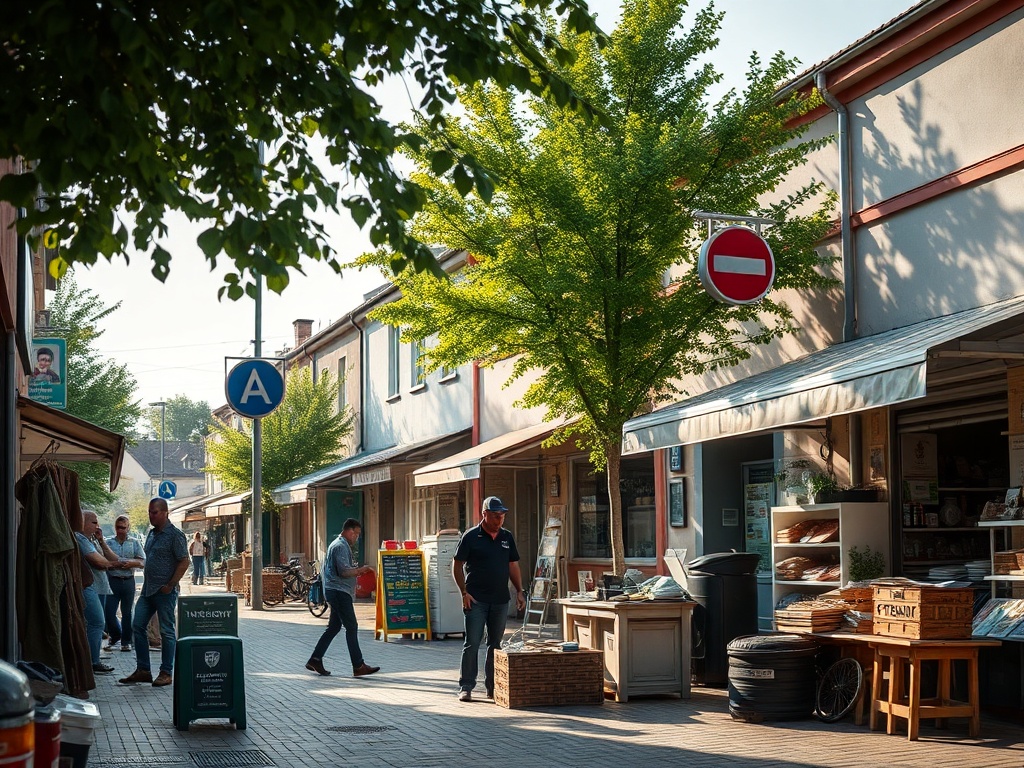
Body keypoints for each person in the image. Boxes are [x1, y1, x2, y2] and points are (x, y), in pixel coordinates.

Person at [452, 496, 526, 702]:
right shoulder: (471, 537)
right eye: (495, 516)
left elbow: (513, 565)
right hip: (475, 600)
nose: (499, 520)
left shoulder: (506, 537)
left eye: (502, 516)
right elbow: (457, 565)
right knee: (472, 643)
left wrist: (520, 590)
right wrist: (463, 592)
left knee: (495, 644)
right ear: (484, 514)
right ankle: (466, 686)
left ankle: (492, 688)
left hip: (500, 600)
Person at [119, 498, 188, 687]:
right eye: (150, 512)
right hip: (148, 591)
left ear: (165, 512)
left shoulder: (175, 535)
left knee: (166, 631)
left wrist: (171, 584)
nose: (151, 516)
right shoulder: (151, 534)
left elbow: (184, 561)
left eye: (154, 512)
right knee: (137, 626)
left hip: (165, 591)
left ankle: (166, 672)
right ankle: (143, 670)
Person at [305, 518, 380, 678]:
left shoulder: (341, 545)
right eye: (357, 534)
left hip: (337, 591)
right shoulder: (340, 546)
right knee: (351, 627)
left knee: (334, 627)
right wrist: (362, 570)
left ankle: (315, 659)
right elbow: (344, 571)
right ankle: (358, 665)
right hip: (339, 591)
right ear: (349, 531)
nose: (357, 537)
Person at [75, 511, 122, 675]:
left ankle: (93, 660)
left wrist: (101, 541)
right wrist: (112, 565)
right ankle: (92, 662)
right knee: (96, 622)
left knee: (96, 624)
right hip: (89, 587)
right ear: (83, 523)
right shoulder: (80, 538)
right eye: (94, 522)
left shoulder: (92, 540)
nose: (97, 526)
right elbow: (99, 562)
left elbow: (113, 558)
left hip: (100, 588)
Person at [104, 515, 145, 653]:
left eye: (123, 527)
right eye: (118, 527)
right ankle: (115, 635)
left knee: (127, 613)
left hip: (128, 581)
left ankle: (126, 641)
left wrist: (132, 563)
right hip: (113, 580)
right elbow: (103, 559)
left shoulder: (134, 543)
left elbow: (143, 561)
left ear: (128, 528)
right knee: (109, 612)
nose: (120, 530)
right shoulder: (108, 543)